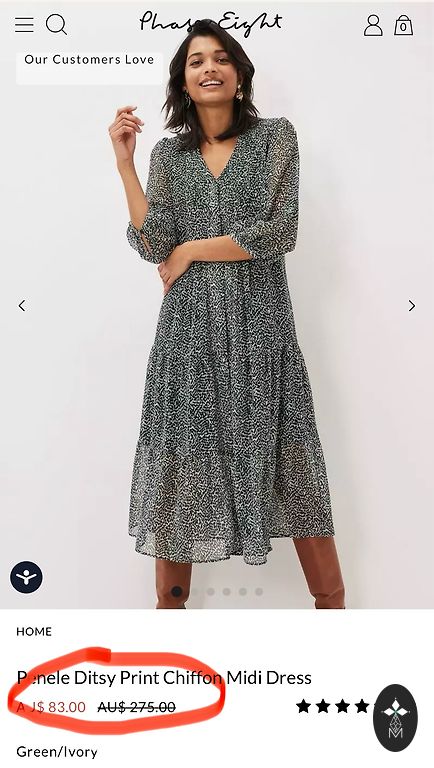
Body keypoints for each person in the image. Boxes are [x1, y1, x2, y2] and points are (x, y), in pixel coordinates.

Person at [109, 19, 345, 610]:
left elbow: (278, 231)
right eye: (196, 61)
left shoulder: (275, 138)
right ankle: (170, 616)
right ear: (183, 82)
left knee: (292, 463)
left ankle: (334, 612)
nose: (209, 68)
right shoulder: (169, 155)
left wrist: (192, 249)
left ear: (239, 76)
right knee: (180, 468)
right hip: (188, 335)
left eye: (220, 58)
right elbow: (153, 242)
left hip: (262, 330)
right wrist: (125, 165)